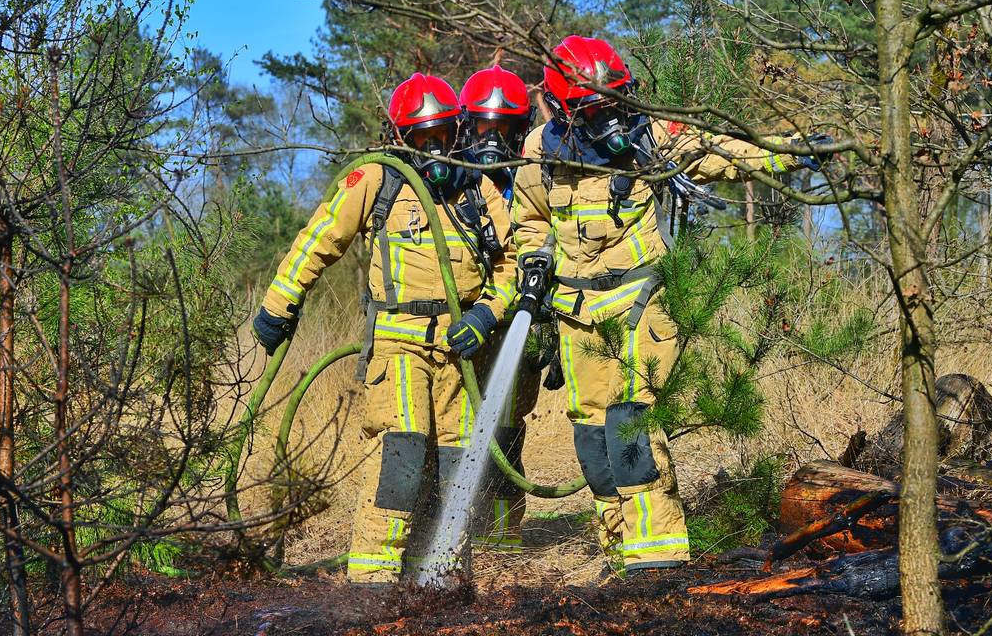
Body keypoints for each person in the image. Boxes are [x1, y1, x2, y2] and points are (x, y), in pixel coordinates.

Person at [511, 35, 820, 576]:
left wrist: (795, 148)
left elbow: (724, 151)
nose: (610, 115)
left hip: (640, 301)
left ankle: (659, 557)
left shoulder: (650, 139)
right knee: (588, 430)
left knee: (630, 422)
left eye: (616, 101)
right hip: (575, 311)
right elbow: (531, 218)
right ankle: (620, 549)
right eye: (595, 107)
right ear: (564, 108)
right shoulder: (540, 151)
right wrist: (534, 260)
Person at [251, 72, 516, 585]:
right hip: (399, 342)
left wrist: (486, 313)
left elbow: (510, 264)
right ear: (400, 138)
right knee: (402, 454)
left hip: (459, 349)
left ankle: (440, 577)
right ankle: (373, 582)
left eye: (443, 134)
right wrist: (279, 301)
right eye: (423, 138)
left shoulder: (479, 187)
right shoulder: (377, 179)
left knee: (458, 464)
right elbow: (321, 237)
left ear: (458, 130)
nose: (435, 148)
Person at [456, 64, 539, 552]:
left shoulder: (534, 178)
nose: (493, 139)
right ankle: (452, 519)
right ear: (467, 126)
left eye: (504, 128)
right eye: (485, 127)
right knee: (454, 427)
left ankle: (504, 527)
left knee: (504, 428)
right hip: (463, 320)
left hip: (517, 329)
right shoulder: (451, 180)